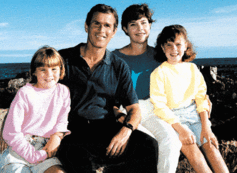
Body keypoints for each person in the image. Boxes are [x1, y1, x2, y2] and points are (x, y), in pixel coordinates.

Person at [57, 4, 158, 173]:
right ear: (86, 26)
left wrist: (125, 131)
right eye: (96, 23)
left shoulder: (118, 66)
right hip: (71, 131)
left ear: (114, 31)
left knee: (148, 145)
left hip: (105, 128)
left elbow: (134, 109)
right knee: (78, 160)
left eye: (107, 25)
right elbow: (36, 89)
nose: (101, 30)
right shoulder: (63, 59)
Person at [150, 24, 229, 173]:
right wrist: (181, 130)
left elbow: (201, 98)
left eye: (178, 44)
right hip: (174, 120)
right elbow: (159, 105)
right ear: (162, 47)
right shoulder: (158, 73)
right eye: (169, 45)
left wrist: (206, 127)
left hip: (195, 115)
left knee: (213, 150)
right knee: (197, 158)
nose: (174, 49)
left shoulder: (192, 69)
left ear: (185, 45)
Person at [112, 4, 182, 172]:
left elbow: (182, 78)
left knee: (172, 141)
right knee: (148, 145)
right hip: (126, 110)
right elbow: (107, 93)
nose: (140, 28)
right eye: (133, 24)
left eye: (143, 23)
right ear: (125, 29)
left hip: (152, 109)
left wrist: (204, 97)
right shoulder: (114, 57)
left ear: (150, 25)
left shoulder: (160, 55)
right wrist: (117, 113)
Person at [0, 46, 70, 173]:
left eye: (54, 69)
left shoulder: (63, 91)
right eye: (43, 70)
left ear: (61, 70)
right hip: (19, 150)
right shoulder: (25, 93)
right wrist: (34, 156)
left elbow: (62, 121)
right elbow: (11, 132)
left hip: (45, 147)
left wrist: (56, 137)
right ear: (34, 72)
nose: (49, 75)